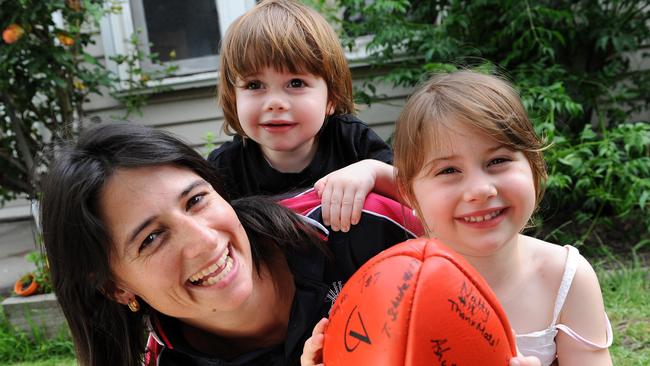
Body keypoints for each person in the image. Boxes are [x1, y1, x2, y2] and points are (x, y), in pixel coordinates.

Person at [40, 123, 419, 366]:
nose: (204, 241)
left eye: (196, 201)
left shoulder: (357, 224)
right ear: (115, 287)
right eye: (152, 238)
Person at [391, 71, 613, 365]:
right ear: (408, 192)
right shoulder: (393, 285)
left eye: (498, 161)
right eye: (448, 171)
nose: (480, 190)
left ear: (535, 166)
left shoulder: (565, 278)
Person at [209, 0, 396, 232]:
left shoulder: (351, 140)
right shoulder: (225, 167)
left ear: (331, 98)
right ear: (233, 97)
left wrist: (373, 172)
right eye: (254, 85)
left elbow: (416, 193)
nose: (275, 103)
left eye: (296, 83)